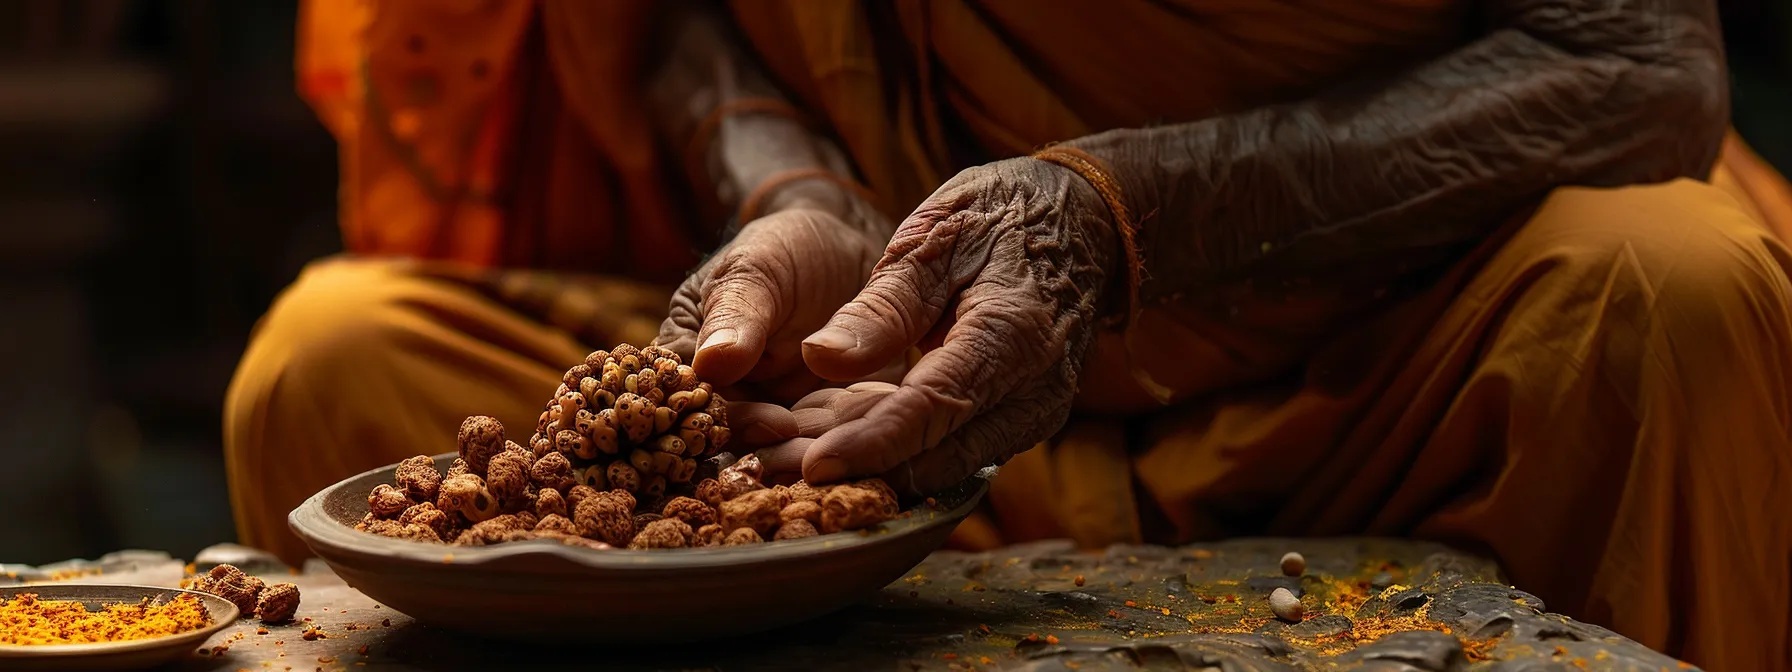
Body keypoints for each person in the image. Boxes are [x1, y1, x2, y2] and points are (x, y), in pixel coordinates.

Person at [226, 1, 1792, 667]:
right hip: (866, 400)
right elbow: (666, 20)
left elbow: (1638, 66)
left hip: (1378, 381)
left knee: (1672, 300)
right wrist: (791, 184)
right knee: (338, 365)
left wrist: (1119, 220)